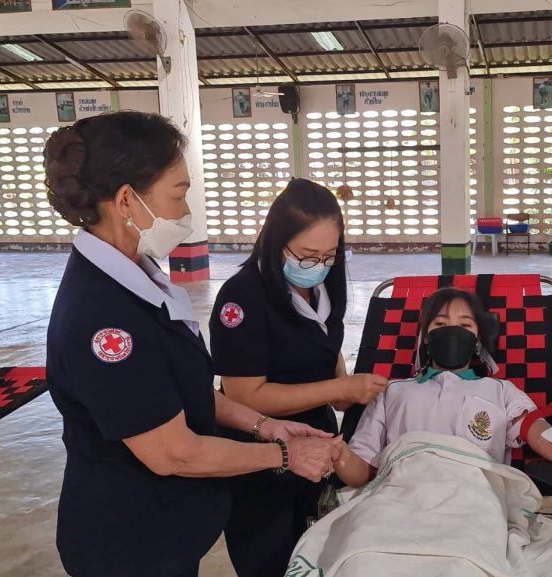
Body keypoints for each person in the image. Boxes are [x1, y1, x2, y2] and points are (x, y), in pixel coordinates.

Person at [42, 112, 342, 577]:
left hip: (170, 530)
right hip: (129, 544)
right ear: (127, 200)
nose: (185, 212)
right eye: (178, 194)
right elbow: (172, 452)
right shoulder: (105, 321)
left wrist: (265, 425)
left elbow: (184, 390)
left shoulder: (139, 278)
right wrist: (286, 455)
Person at [208, 178, 388, 577]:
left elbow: (325, 342)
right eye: (306, 256)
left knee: (318, 553)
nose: (318, 266)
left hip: (317, 445)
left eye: (329, 255)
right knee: (270, 558)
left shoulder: (326, 285)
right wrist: (337, 388)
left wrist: (343, 386)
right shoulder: (242, 298)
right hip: (261, 456)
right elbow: (244, 394)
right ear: (276, 242)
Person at [334, 287, 552, 502]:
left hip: (474, 502)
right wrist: (336, 454)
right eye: (440, 324)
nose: (453, 331)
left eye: (465, 325)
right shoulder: (391, 392)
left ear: (478, 340)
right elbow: (363, 471)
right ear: (425, 338)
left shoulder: (501, 392)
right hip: (399, 499)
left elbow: (550, 441)